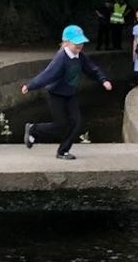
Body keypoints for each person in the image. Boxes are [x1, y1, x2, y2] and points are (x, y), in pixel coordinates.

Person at [22, 25, 113, 160]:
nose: (79, 46)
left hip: (70, 95)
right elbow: (47, 75)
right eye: (76, 43)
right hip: (56, 95)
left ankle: (63, 151)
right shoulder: (61, 59)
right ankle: (33, 129)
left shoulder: (79, 56)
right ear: (66, 42)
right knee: (60, 124)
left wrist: (103, 80)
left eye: (81, 43)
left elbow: (91, 69)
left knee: (76, 123)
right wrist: (31, 86)